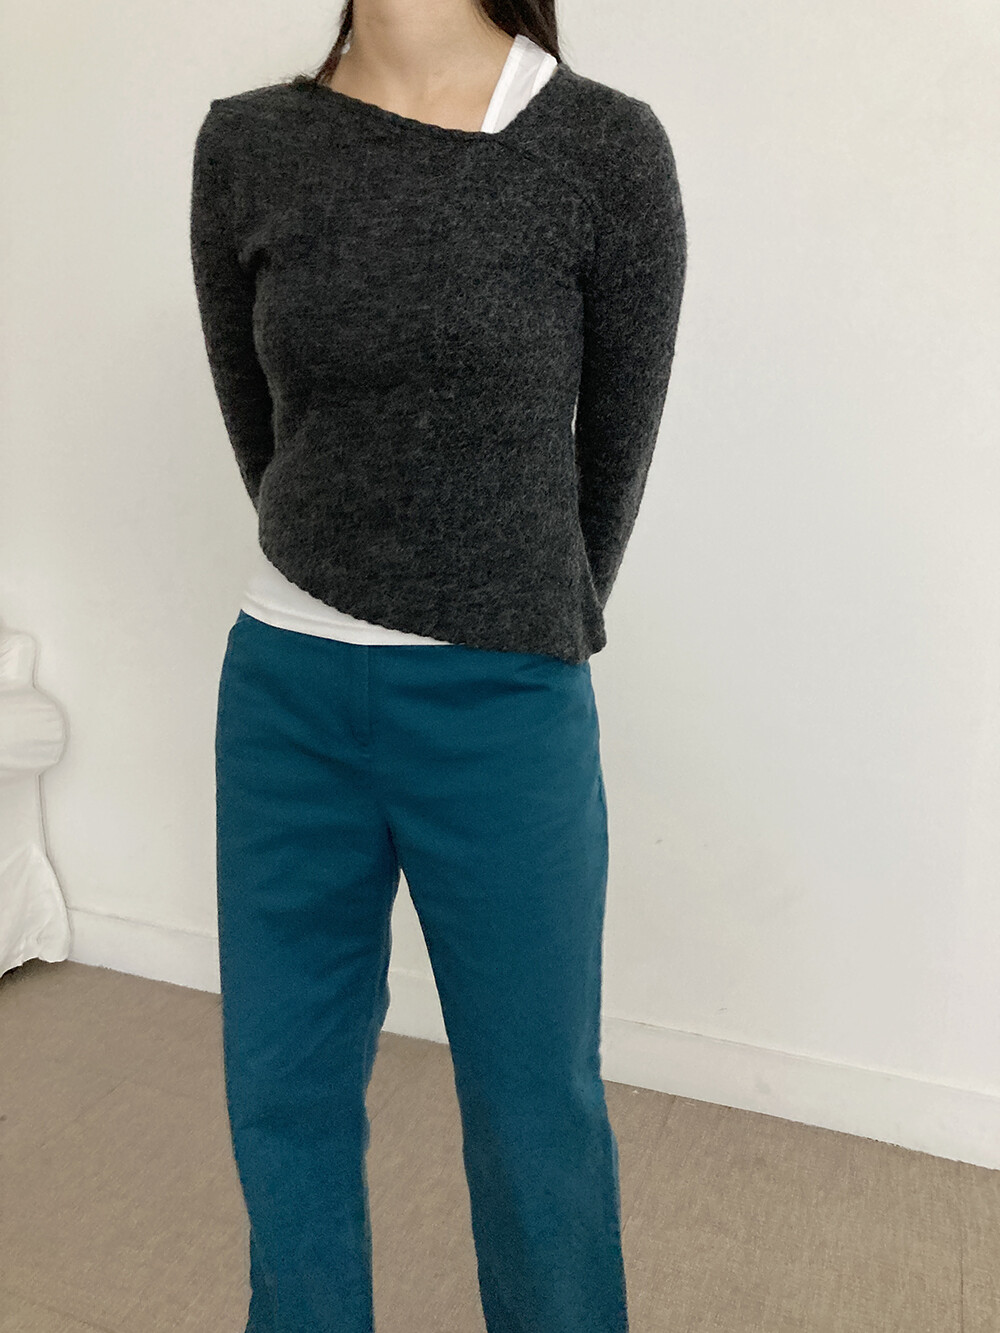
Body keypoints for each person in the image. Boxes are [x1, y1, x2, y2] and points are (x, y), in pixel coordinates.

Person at [189, 1, 687, 1329]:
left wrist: (497, 604)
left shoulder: (602, 148)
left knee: (535, 1112)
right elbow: (268, 435)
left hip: (503, 704)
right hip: (286, 692)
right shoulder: (248, 145)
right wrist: (348, 563)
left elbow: (608, 469)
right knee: (281, 1093)